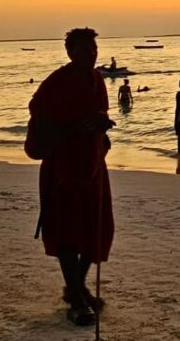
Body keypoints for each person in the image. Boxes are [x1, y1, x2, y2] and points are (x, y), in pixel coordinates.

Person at [25, 28, 114, 327]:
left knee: (96, 228)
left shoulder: (98, 79)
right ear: (70, 52)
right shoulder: (56, 82)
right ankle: (76, 296)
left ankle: (77, 286)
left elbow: (98, 116)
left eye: (94, 49)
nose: (92, 54)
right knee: (67, 231)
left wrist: (100, 126)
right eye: (85, 49)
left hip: (93, 165)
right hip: (62, 167)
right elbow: (38, 115)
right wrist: (78, 126)